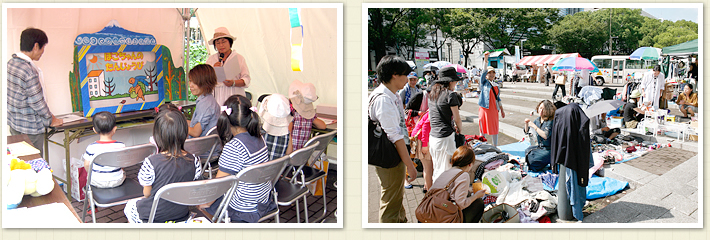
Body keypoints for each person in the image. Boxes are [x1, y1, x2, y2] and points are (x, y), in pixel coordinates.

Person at [201, 95, 276, 222]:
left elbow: (219, 185)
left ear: (226, 119)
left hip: (243, 209)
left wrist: (205, 203)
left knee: (202, 205)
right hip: (262, 200)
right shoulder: (260, 137)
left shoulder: (234, 147)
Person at [124, 109, 202, 223]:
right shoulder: (195, 160)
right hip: (181, 214)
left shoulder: (151, 162)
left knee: (129, 206)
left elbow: (147, 193)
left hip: (152, 216)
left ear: (157, 135)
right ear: (184, 133)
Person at [368, 55, 418, 223]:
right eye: (406, 74)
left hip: (393, 154)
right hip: (389, 156)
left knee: (395, 196)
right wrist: (410, 167)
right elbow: (395, 137)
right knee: (390, 202)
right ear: (395, 75)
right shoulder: (384, 99)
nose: (408, 78)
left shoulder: (391, 94)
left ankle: (401, 223)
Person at [7, 28, 63, 156]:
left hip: (14, 123)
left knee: (19, 163)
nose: (43, 52)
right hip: (30, 129)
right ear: (36, 46)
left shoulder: (11, 63)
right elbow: (37, 102)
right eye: (43, 47)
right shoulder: (28, 70)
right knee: (34, 165)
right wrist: (51, 119)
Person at [430, 146, 486, 223]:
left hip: (430, 209)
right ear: (470, 164)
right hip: (441, 216)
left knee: (469, 195)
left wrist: (468, 190)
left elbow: (450, 190)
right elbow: (461, 204)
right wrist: (476, 196)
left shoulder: (446, 172)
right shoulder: (464, 175)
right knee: (478, 203)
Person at [428, 66, 463, 183]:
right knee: (447, 171)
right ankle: (441, 197)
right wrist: (460, 132)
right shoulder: (450, 95)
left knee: (437, 168)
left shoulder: (432, 93)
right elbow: (457, 118)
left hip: (433, 137)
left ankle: (435, 195)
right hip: (445, 138)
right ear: (451, 81)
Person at [206, 27, 251, 105]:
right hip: (217, 96)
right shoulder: (211, 59)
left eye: (224, 42)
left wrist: (233, 83)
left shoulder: (239, 58)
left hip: (234, 95)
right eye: (218, 43)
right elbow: (205, 79)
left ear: (230, 42)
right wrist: (212, 70)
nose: (221, 45)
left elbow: (246, 79)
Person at [82, 111, 125, 188]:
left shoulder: (91, 147)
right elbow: (122, 163)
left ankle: (89, 199)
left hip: (97, 181)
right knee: (123, 172)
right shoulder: (121, 145)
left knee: (89, 180)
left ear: (94, 130)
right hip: (117, 181)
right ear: (114, 129)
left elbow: (86, 165)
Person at [288, 79, 326, 151]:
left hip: (292, 152)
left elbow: (288, 132)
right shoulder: (309, 115)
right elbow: (323, 126)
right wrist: (312, 122)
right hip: (303, 154)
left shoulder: (292, 115)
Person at [479, 52, 506, 147]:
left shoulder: (496, 85)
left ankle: (495, 146)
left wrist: (502, 110)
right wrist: (485, 60)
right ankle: (483, 145)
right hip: (484, 108)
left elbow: (498, 98)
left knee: (494, 128)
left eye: (493, 72)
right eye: (489, 72)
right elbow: (483, 72)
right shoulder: (483, 83)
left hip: (494, 109)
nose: (491, 74)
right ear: (486, 75)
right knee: (483, 127)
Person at [187, 64, 220, 138]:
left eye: (195, 83)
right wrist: (180, 121)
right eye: (190, 81)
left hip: (203, 148)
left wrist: (177, 127)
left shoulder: (205, 104)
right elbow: (194, 124)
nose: (191, 85)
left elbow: (195, 132)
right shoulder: (207, 99)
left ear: (205, 83)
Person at [259, 93, 293, 161]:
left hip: (259, 169)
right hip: (278, 170)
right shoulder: (287, 135)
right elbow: (289, 153)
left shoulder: (260, 132)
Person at [523, 100, 556, 172]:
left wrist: (535, 127)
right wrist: (526, 123)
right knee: (527, 151)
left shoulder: (550, 121)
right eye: (540, 108)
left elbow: (545, 135)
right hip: (540, 147)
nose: (541, 110)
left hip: (549, 149)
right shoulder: (538, 120)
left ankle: (549, 161)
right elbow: (527, 131)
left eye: (543, 109)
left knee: (533, 160)